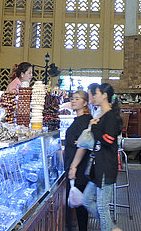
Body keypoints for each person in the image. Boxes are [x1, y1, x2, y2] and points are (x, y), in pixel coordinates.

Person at [83, 83, 123, 231]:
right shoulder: (101, 115)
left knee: (102, 206)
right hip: (97, 167)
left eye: (97, 93)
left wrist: (94, 128)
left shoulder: (111, 117)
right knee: (86, 200)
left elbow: (108, 140)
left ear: (105, 95)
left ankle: (108, 227)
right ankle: (110, 227)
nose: (94, 96)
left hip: (106, 167)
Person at [65, 90, 93, 231]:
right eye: (72, 98)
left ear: (85, 103)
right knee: (78, 202)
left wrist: (73, 167)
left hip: (79, 167)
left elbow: (83, 144)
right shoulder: (79, 120)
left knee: (80, 203)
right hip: (75, 165)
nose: (73, 101)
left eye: (77, 98)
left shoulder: (85, 121)